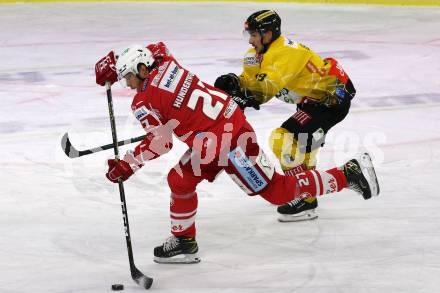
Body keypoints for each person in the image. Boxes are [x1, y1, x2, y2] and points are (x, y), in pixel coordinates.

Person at [94, 42, 379, 264]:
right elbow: (158, 47)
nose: (128, 85)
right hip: (216, 137)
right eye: (122, 79)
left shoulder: (143, 101)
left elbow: (161, 143)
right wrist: (120, 60)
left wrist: (127, 165)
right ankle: (183, 241)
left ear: (143, 68)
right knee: (179, 180)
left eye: (128, 77)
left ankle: (347, 174)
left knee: (277, 193)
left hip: (229, 144)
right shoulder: (167, 61)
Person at [215, 10, 357, 222]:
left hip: (330, 102)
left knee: (283, 138)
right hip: (310, 102)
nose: (251, 40)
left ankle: (304, 195)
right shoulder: (256, 54)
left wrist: (242, 97)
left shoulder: (286, 53)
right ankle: (308, 197)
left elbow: (264, 91)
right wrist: (235, 81)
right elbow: (251, 79)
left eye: (254, 35)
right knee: (302, 151)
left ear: (269, 34)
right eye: (249, 35)